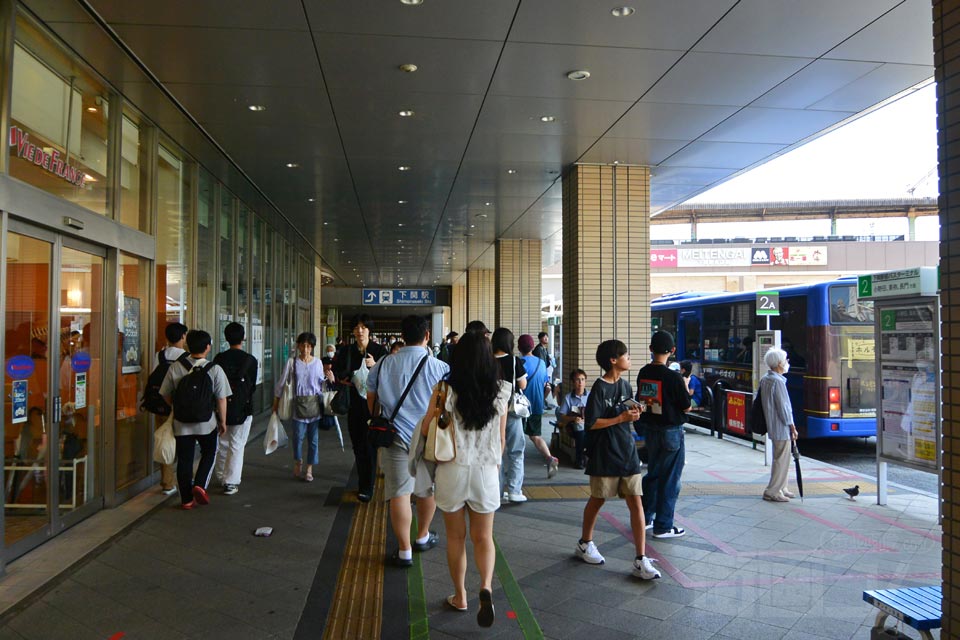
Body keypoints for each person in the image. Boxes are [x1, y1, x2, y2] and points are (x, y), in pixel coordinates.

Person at [420, 332, 510, 626]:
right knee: (483, 537)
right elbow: (501, 439)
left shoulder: (444, 389)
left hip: (451, 470)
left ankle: (460, 596)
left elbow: (425, 430)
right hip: (486, 471)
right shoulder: (502, 390)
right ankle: (485, 586)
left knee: (456, 537)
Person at [367, 315, 449, 567]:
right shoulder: (440, 368)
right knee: (427, 489)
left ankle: (404, 551)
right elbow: (447, 406)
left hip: (395, 436)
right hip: (429, 436)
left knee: (399, 493)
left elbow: (371, 401)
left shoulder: (382, 364)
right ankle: (422, 536)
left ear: (402, 336)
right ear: (426, 336)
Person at [575, 340, 660, 580]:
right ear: (613, 360)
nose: (629, 358)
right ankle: (585, 542)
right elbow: (591, 423)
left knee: (636, 501)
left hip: (627, 450)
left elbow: (624, 416)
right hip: (605, 452)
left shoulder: (625, 386)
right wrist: (620, 418)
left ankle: (641, 558)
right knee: (598, 499)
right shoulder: (599, 389)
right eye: (626, 355)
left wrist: (633, 414)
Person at [160, 330, 230, 510]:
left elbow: (165, 394)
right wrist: (222, 421)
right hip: (206, 423)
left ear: (188, 346)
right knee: (209, 452)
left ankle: (186, 500)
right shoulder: (214, 369)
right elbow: (221, 398)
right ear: (208, 347)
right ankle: (199, 484)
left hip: (182, 424)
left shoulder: (175, 367)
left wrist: (176, 407)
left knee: (184, 459)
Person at [637, 330, 691, 538]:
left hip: (650, 430)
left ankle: (645, 518)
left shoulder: (644, 372)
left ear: (651, 349)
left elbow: (644, 400)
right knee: (670, 479)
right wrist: (685, 387)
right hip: (671, 432)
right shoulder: (674, 377)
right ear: (673, 351)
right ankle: (664, 525)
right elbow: (685, 407)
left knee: (653, 474)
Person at [333, 314, 387, 502]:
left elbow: (388, 376)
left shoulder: (379, 351)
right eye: (357, 327)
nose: (360, 330)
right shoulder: (347, 351)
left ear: (369, 330)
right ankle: (364, 480)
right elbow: (337, 371)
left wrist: (375, 366)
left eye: (364, 327)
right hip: (354, 405)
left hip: (373, 406)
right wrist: (345, 378)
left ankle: (367, 486)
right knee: (357, 445)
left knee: (370, 446)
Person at [213, 322, 259, 495]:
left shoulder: (219, 359)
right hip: (243, 408)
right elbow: (252, 386)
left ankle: (221, 475)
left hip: (221, 406)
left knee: (223, 442)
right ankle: (230, 482)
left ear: (226, 338)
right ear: (244, 337)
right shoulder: (250, 360)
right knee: (237, 445)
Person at [274, 332, 326, 482]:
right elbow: (282, 383)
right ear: (298, 346)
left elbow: (321, 384)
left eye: (309, 346)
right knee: (297, 437)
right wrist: (275, 403)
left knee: (314, 440)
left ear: (313, 347)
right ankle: (298, 461)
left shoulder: (318, 363)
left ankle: (309, 468)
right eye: (303, 345)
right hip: (298, 405)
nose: (305, 348)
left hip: (314, 404)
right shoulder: (292, 362)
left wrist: (329, 379)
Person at [491, 327, 528, 503]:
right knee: (515, 450)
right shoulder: (514, 361)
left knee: (496, 450)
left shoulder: (486, 360)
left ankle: (496, 491)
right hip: (511, 411)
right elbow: (523, 384)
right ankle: (514, 490)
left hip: (490, 412)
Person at [517, 334, 559, 478]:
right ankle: (549, 458)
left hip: (521, 407)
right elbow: (546, 386)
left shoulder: (519, 363)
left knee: (515, 436)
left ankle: (515, 465)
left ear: (518, 347)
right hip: (536, 406)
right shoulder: (541, 363)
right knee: (535, 436)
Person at [759, 348, 798, 502]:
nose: (787, 362)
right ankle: (773, 490)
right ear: (779, 363)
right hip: (781, 426)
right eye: (785, 360)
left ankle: (782, 487)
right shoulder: (778, 381)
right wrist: (792, 426)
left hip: (772, 424)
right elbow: (784, 407)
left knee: (781, 457)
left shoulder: (766, 379)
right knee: (781, 459)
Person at [155, 322, 189, 496]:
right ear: (183, 337)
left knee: (165, 442)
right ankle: (184, 479)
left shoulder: (159, 355)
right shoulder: (188, 357)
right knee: (184, 443)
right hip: (181, 407)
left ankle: (167, 483)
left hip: (161, 406)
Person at [556, 369, 589, 469]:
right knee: (580, 430)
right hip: (573, 426)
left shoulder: (590, 396)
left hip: (589, 425)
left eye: (583, 379)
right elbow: (562, 416)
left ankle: (585, 457)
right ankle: (580, 460)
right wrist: (573, 419)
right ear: (573, 382)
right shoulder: (568, 398)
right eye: (577, 380)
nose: (580, 383)